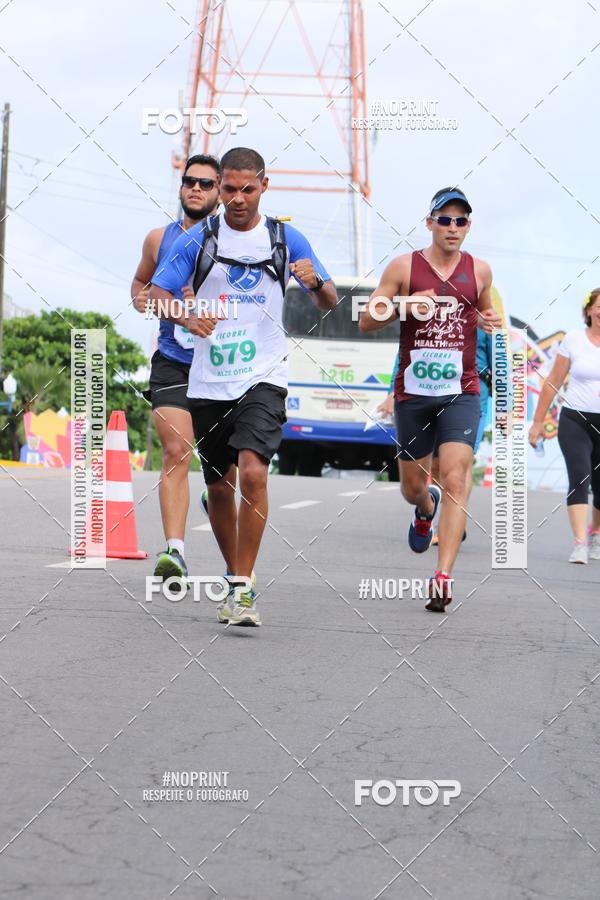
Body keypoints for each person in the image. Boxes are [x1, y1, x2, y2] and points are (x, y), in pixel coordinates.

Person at [149, 147, 337, 626]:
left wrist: (314, 283)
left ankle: (243, 586)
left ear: (264, 186)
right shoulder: (198, 240)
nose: (236, 198)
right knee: (220, 486)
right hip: (210, 381)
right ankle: (236, 575)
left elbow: (330, 302)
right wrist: (188, 317)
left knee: (254, 471)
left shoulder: (284, 237)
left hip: (264, 376)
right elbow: (154, 294)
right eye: (228, 189)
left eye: (246, 189)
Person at [360, 187, 501, 611]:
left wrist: (487, 319)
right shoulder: (404, 266)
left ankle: (442, 577)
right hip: (414, 395)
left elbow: (483, 313)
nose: (453, 227)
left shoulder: (480, 272)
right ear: (430, 223)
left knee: (458, 478)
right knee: (413, 487)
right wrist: (404, 305)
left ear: (468, 227)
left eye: (461, 221)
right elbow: (367, 319)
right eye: (445, 219)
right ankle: (425, 510)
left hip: (462, 392)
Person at [130, 154, 220, 586]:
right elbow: (139, 285)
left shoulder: (232, 241)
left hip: (224, 367)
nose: (196, 189)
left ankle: (214, 495)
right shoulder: (157, 239)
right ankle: (175, 552)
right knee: (176, 451)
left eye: (206, 183)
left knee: (226, 472)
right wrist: (144, 300)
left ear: (220, 193)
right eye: (190, 182)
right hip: (174, 362)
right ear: (181, 188)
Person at [529, 289, 600, 564]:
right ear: (588, 311)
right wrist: (537, 422)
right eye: (597, 306)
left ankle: (595, 536)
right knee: (580, 477)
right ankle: (580, 543)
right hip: (575, 420)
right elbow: (553, 381)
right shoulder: (573, 340)